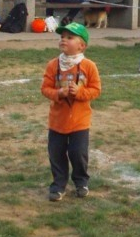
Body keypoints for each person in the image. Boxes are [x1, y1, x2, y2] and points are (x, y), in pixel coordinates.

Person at [41, 22, 101, 201]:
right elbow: (45, 89)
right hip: (57, 121)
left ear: (81, 45)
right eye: (62, 37)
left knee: (78, 153)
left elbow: (96, 90)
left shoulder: (89, 66)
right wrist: (59, 93)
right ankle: (58, 185)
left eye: (69, 37)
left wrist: (80, 92)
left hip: (79, 121)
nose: (64, 40)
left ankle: (81, 181)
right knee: (56, 153)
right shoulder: (53, 65)